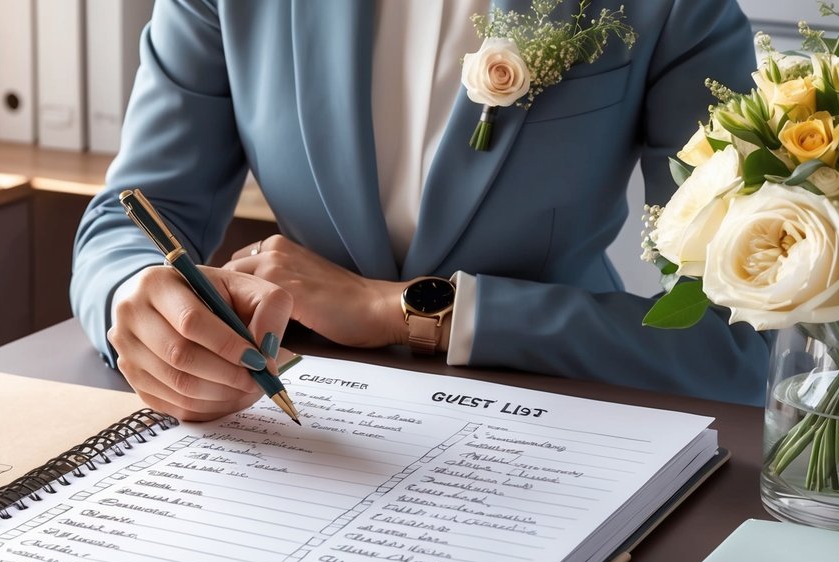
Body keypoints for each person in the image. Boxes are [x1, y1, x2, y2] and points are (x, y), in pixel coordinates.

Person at [71, 0, 769, 421]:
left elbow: (746, 345)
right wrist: (132, 298)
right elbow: (134, 216)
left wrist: (410, 311)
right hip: (293, 420)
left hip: (567, 413)